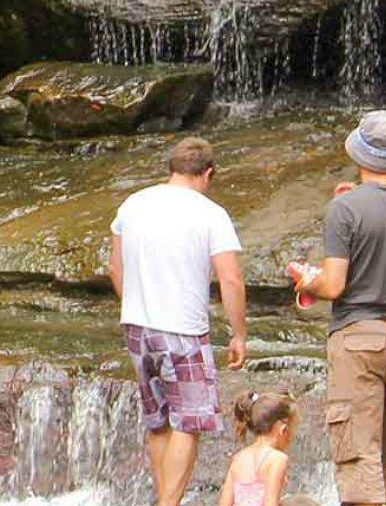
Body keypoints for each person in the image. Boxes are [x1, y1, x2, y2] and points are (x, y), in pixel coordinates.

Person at [287, 110, 386, 506]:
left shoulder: (344, 208)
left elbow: (335, 284)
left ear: (359, 154)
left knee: (359, 460)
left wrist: (307, 281)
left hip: (357, 338)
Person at [111, 136, 250, 506]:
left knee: (158, 421)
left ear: (171, 168)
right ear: (207, 174)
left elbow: (116, 268)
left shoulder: (132, 204)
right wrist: (239, 334)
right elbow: (231, 278)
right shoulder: (210, 213)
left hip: (137, 325)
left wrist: (138, 306)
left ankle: (165, 498)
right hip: (183, 331)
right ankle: (168, 504)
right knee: (189, 423)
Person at [221, 392, 296, 506]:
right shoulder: (277, 460)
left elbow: (224, 504)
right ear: (283, 430)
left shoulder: (238, 459)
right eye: (293, 429)